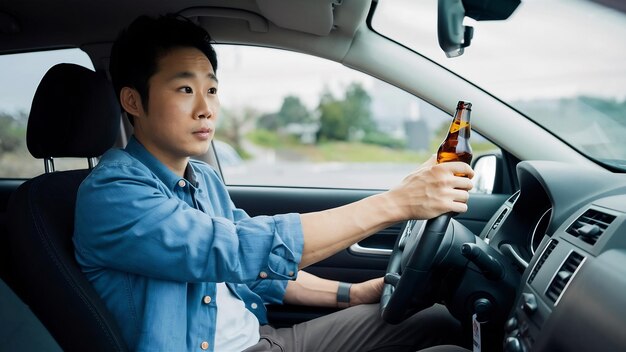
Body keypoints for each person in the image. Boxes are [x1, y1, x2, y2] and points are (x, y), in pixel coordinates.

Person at [73, 14, 475, 352]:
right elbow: (233, 251)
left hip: (263, 338)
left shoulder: (204, 180)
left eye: (212, 90)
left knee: (439, 319)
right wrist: (398, 203)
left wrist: (351, 294)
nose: (206, 108)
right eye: (185, 89)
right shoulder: (111, 195)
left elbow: (252, 273)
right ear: (133, 102)